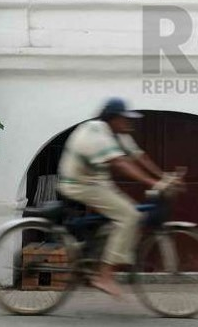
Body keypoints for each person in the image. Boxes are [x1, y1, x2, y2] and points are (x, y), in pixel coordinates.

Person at [57, 97, 178, 298]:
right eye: (124, 119)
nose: (128, 123)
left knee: (121, 214)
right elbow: (120, 164)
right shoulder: (96, 131)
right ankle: (104, 276)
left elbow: (140, 157)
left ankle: (94, 254)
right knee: (129, 215)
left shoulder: (118, 133)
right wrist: (154, 184)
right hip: (78, 184)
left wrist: (164, 177)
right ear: (112, 119)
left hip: (96, 182)